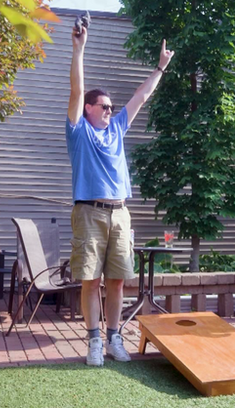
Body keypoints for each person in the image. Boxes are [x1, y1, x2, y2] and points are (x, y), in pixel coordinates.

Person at [66, 23, 174, 366]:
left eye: (112, 106)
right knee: (90, 279)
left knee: (116, 282)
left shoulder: (116, 128)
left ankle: (114, 338)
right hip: (89, 212)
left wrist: (160, 67)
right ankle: (94, 341)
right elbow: (76, 89)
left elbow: (142, 95)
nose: (110, 110)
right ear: (88, 109)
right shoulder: (78, 131)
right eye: (104, 106)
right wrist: (79, 49)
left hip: (120, 212)